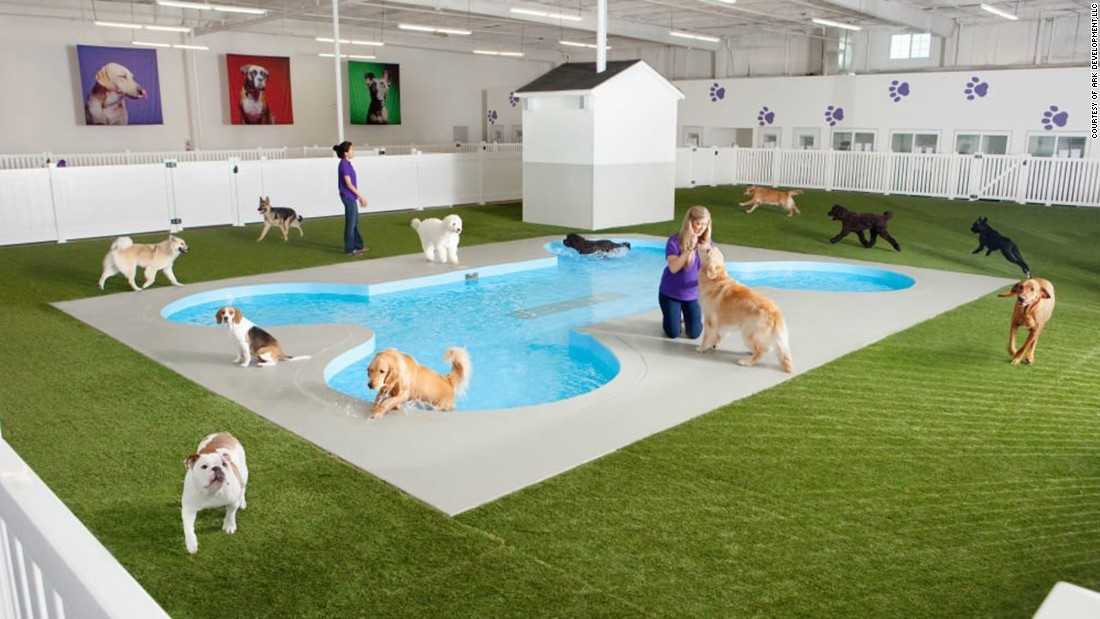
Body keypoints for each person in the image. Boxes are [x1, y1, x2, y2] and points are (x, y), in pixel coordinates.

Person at [658, 205, 713, 339]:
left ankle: (686, 315)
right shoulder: (674, 241)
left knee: (694, 334)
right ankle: (673, 315)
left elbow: (713, 268)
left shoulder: (707, 244)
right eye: (698, 223)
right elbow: (674, 268)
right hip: (670, 293)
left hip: (692, 295)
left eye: (705, 224)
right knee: (673, 333)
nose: (701, 228)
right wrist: (690, 249)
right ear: (690, 222)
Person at [333, 141, 368, 256]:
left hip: (351, 196)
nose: (353, 151)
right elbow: (348, 184)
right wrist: (361, 196)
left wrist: (357, 196)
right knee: (351, 223)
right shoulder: (344, 165)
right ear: (345, 153)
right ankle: (350, 249)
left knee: (355, 222)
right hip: (348, 196)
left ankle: (358, 245)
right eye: (351, 149)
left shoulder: (347, 164)